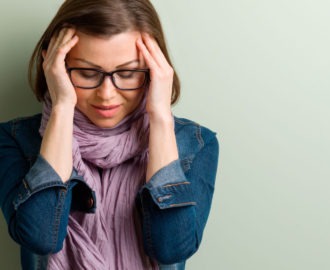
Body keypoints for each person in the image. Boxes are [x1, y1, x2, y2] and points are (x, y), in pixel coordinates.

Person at [0, 0, 219, 269]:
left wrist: (160, 118)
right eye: (87, 72)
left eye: (127, 73)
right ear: (55, 65)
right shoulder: (15, 140)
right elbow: (40, 238)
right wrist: (62, 107)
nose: (106, 94)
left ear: (154, 71)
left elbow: (172, 248)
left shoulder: (196, 144)